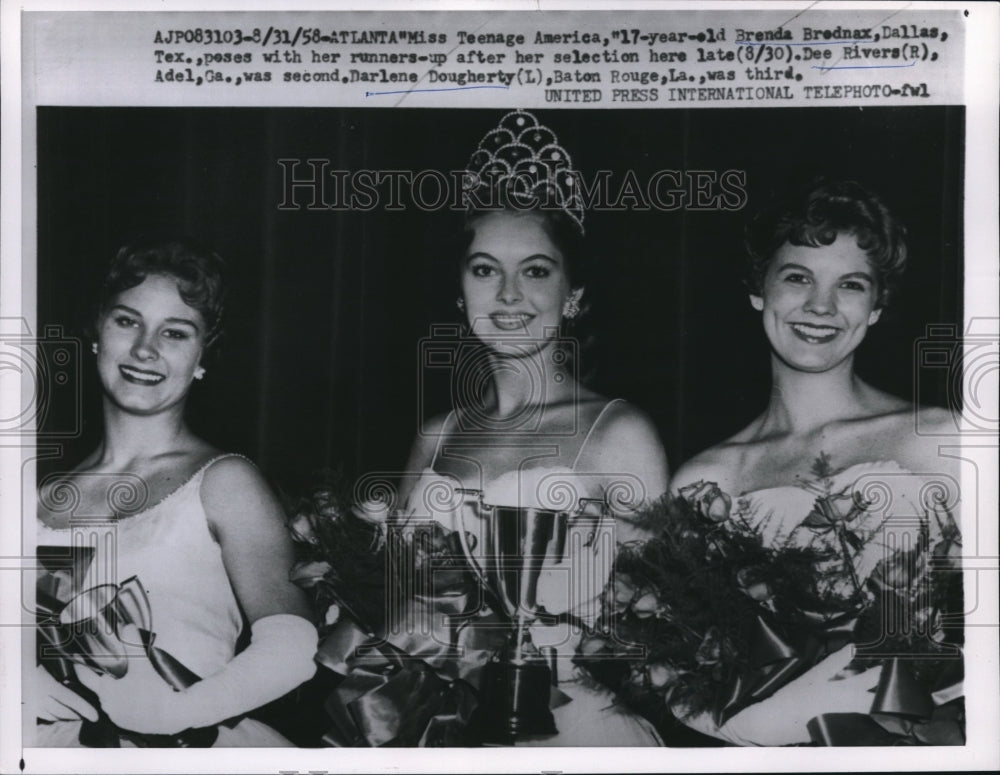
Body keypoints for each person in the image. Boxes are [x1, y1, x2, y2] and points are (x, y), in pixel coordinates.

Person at [391, 111, 669, 746]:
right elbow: (400, 601)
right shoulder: (436, 435)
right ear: (460, 296)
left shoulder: (617, 431)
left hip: (575, 731)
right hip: (444, 731)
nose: (509, 294)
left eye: (536, 270)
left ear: (573, 295)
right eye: (485, 270)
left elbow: (656, 625)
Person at [669, 180, 963, 745]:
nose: (821, 306)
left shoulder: (938, 439)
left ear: (876, 307)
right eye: (798, 276)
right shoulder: (704, 480)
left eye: (850, 285)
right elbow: (673, 665)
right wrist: (747, 726)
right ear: (759, 290)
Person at [35, 239, 317, 746]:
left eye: (175, 333)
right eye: (127, 321)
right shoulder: (39, 496)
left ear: (203, 355)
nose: (145, 349)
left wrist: (180, 712)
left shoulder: (225, 481)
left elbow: (293, 644)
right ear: (97, 330)